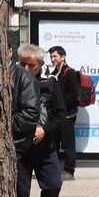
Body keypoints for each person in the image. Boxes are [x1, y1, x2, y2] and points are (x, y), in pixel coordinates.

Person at [12, 44, 61, 197]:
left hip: (45, 146)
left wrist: (44, 131)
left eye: (30, 65)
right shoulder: (13, 81)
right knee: (21, 191)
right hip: (21, 147)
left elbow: (61, 116)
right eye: (22, 63)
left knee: (53, 185)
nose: (25, 68)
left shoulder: (51, 84)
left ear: (40, 65)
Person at [42, 46, 81, 177]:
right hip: (57, 116)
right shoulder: (53, 74)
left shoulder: (69, 73)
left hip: (68, 115)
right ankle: (55, 170)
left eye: (55, 56)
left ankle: (70, 170)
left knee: (68, 144)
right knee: (54, 142)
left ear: (63, 57)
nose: (52, 59)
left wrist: (61, 105)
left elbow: (74, 94)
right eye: (51, 57)